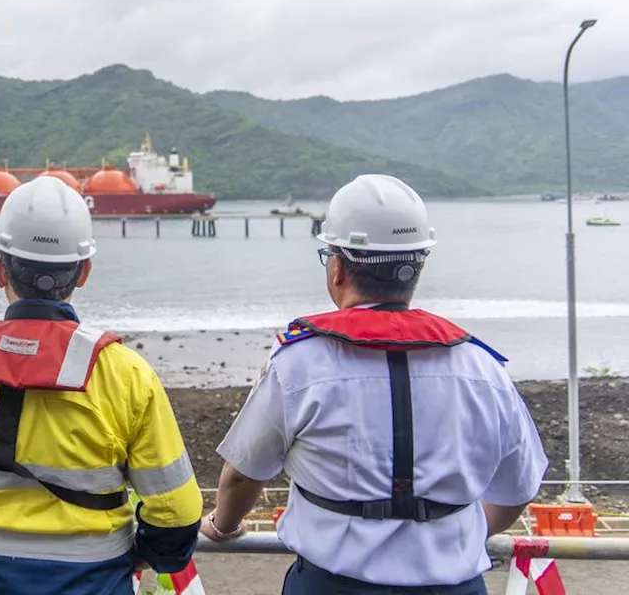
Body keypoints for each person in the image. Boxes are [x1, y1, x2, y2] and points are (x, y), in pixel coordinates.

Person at [204, 174, 548, 594]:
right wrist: (458, 535)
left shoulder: (298, 363)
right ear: (417, 267)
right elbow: (519, 486)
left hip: (330, 585)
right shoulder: (482, 367)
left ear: (337, 269)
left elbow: (242, 475)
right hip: (455, 584)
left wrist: (223, 527)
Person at [0, 176, 203, 595]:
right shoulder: (126, 375)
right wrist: (139, 554)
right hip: (93, 579)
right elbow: (177, 514)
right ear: (83, 272)